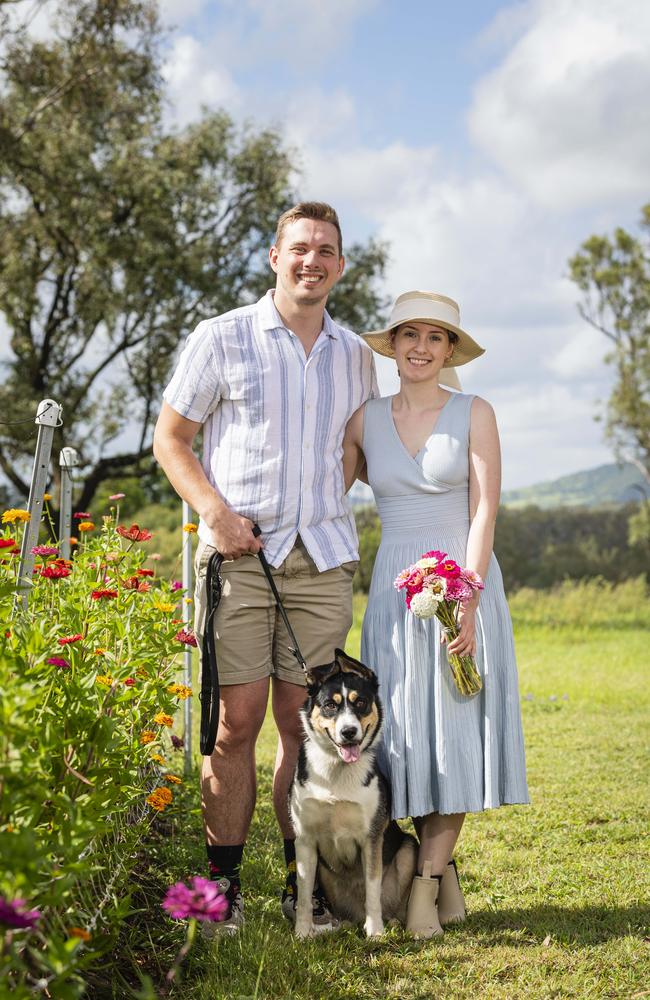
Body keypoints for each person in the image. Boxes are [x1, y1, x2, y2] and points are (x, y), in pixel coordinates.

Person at [153, 202, 378, 933]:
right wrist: (215, 514)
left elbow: (351, 449)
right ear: (274, 255)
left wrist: (318, 504)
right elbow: (173, 439)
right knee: (234, 724)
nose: (313, 261)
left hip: (321, 564)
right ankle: (222, 894)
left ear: (341, 266)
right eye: (301, 248)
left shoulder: (355, 355)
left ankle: (299, 887)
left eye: (327, 251)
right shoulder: (221, 338)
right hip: (239, 562)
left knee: (307, 725)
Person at [342, 290, 529, 938]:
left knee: (451, 737)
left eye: (435, 337)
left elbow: (483, 509)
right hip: (392, 598)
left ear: (450, 350)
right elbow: (324, 489)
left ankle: (423, 886)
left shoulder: (475, 412)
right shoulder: (362, 419)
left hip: (460, 586)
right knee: (408, 743)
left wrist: (468, 597)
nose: (421, 347)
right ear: (391, 345)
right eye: (408, 334)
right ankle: (444, 878)